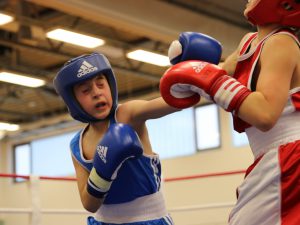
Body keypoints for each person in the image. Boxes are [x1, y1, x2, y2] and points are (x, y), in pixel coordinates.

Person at [159, 0, 300, 224]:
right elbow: (216, 75)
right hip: (273, 156)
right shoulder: (249, 43)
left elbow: (264, 114)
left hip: (289, 154)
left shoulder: (281, 42)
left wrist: (205, 77)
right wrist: (182, 76)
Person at [53, 52, 181, 225]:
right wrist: (102, 172)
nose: (97, 93)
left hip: (148, 219)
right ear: (73, 101)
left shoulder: (127, 115)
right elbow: (89, 204)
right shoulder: (77, 146)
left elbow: (167, 104)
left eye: (100, 84)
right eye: (85, 90)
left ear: (110, 85)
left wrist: (188, 82)